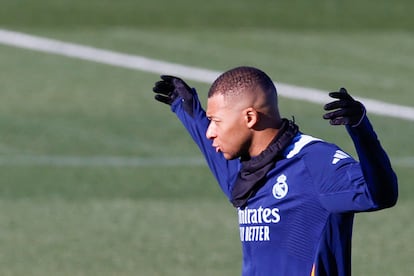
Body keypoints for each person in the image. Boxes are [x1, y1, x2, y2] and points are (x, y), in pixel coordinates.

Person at [152, 66, 398, 276]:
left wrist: (360, 128)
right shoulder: (245, 172)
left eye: (216, 121)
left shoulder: (314, 163)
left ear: (249, 118)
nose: (210, 131)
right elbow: (212, 145)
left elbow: (381, 194)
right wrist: (186, 107)